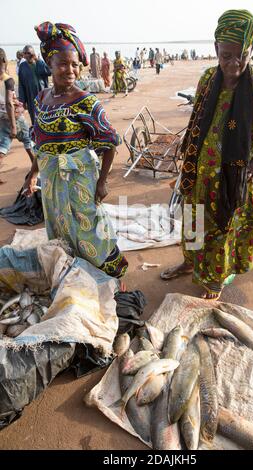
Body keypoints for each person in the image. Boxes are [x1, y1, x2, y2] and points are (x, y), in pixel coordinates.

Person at [160, 9, 253, 299]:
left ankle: (214, 279)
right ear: (215, 49)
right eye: (226, 55)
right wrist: (187, 153)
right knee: (193, 220)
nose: (234, 63)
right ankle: (191, 263)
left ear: (251, 51)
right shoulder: (208, 78)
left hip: (231, 179)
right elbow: (198, 119)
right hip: (198, 175)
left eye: (242, 55)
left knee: (222, 228)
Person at [23, 22, 128, 279]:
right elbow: (40, 142)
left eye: (74, 64)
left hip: (79, 178)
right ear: (49, 64)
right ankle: (70, 273)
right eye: (62, 64)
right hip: (51, 181)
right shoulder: (41, 99)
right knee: (58, 225)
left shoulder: (86, 101)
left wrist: (102, 182)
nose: (70, 70)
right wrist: (34, 173)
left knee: (88, 226)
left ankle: (110, 274)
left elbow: (109, 144)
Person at [0, 48, 34, 183]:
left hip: (1, 117)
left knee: (3, 145)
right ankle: (36, 168)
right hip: (13, 116)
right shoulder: (8, 80)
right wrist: (14, 125)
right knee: (27, 140)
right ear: (4, 60)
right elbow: (9, 103)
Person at [18, 45, 51, 124]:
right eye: (24, 53)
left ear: (33, 53)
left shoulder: (40, 63)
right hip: (30, 96)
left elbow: (49, 72)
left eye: (29, 53)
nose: (26, 55)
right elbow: (21, 85)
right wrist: (22, 101)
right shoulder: (22, 66)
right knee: (34, 117)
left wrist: (37, 59)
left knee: (45, 116)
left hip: (43, 95)